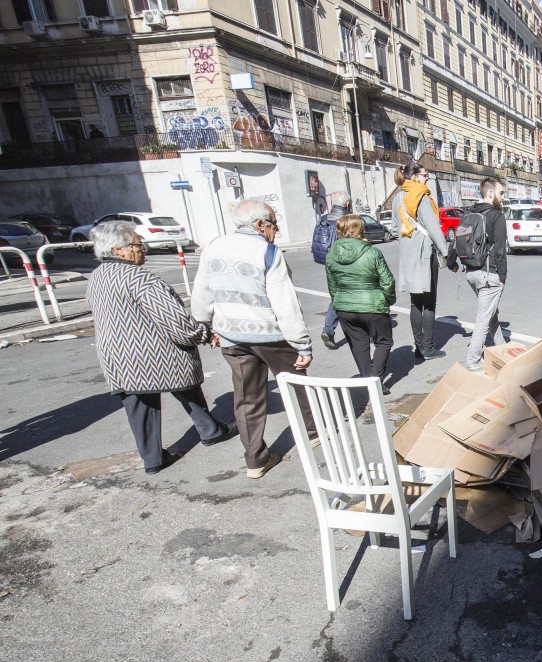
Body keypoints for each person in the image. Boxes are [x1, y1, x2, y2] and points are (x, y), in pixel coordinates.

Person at [86, 221, 236, 474]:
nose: (143, 249)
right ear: (119, 250)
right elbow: (175, 321)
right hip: (153, 353)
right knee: (186, 388)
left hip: (117, 357)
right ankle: (210, 431)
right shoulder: (140, 279)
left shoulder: (97, 276)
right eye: (137, 244)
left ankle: (153, 459)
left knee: (139, 407)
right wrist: (202, 333)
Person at [191, 199, 317, 479]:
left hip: (232, 336)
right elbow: (286, 304)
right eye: (273, 224)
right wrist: (302, 344)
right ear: (260, 225)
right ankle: (311, 432)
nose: (276, 230)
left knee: (246, 397)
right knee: (297, 383)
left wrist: (206, 326)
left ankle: (255, 459)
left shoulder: (213, 247)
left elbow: (202, 293)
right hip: (270, 335)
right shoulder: (267, 252)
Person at [326, 214, 397, 390]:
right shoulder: (373, 253)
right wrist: (388, 300)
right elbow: (387, 281)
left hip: (345, 307)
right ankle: (376, 379)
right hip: (372, 305)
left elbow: (332, 286)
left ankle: (368, 381)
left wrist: (338, 302)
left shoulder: (331, 256)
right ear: (360, 229)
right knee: (384, 341)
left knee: (358, 345)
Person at [389, 163, 450, 360]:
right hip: (425, 253)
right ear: (415, 176)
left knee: (415, 302)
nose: (427, 178)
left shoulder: (398, 197)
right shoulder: (421, 196)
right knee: (429, 302)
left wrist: (409, 241)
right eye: (425, 175)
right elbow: (433, 228)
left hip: (408, 254)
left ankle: (419, 346)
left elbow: (393, 228)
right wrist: (447, 252)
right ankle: (428, 347)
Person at [456, 177, 508, 372]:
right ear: (491, 193)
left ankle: (502, 350)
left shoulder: (469, 213)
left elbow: (458, 242)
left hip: (471, 272)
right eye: (501, 193)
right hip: (489, 274)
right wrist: (502, 276)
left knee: (491, 313)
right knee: (484, 318)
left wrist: (453, 262)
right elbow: (500, 249)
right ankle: (474, 360)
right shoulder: (496, 216)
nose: (503, 197)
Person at [310, 191, 352, 350]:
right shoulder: (347, 220)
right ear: (347, 204)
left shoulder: (324, 219)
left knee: (337, 295)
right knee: (345, 295)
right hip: (344, 263)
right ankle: (347, 330)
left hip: (329, 263)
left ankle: (329, 330)